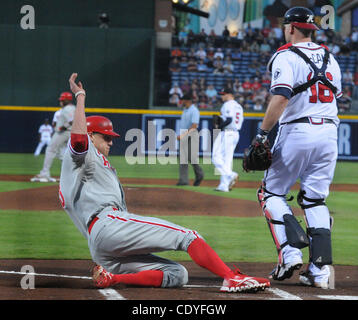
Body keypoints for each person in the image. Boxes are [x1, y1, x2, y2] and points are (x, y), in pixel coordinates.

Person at [59, 73, 270, 293]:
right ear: (91, 136)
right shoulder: (83, 154)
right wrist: (81, 96)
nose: (111, 142)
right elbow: (78, 139)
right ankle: (230, 278)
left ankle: (112, 278)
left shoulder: (80, 172)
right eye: (106, 137)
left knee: (178, 274)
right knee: (189, 236)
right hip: (108, 224)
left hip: (100, 246)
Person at [253, 7, 342, 289]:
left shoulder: (286, 55)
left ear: (291, 28)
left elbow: (281, 96)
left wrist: (262, 133)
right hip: (329, 132)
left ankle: (289, 254)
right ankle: (319, 271)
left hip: (298, 130)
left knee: (271, 193)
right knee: (315, 200)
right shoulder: (331, 57)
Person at [31, 91, 76, 182]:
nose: (61, 101)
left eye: (62, 100)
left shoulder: (68, 109)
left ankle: (45, 174)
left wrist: (63, 126)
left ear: (67, 100)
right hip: (69, 132)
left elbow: (72, 120)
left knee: (50, 149)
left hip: (64, 132)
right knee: (63, 154)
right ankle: (69, 176)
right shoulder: (73, 108)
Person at [212, 88, 244, 192]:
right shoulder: (238, 106)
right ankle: (224, 186)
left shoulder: (228, 104)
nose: (222, 96)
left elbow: (229, 119)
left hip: (227, 133)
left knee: (215, 157)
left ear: (230, 94)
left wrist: (219, 126)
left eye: (223, 94)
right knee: (227, 160)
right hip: (235, 133)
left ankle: (231, 175)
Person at [176, 93, 204, 187]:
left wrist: (183, 135)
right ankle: (183, 181)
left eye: (183, 100)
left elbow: (194, 126)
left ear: (187, 101)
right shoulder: (185, 109)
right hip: (184, 134)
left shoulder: (194, 110)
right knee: (183, 159)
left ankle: (200, 174)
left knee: (192, 158)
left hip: (192, 134)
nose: (181, 101)